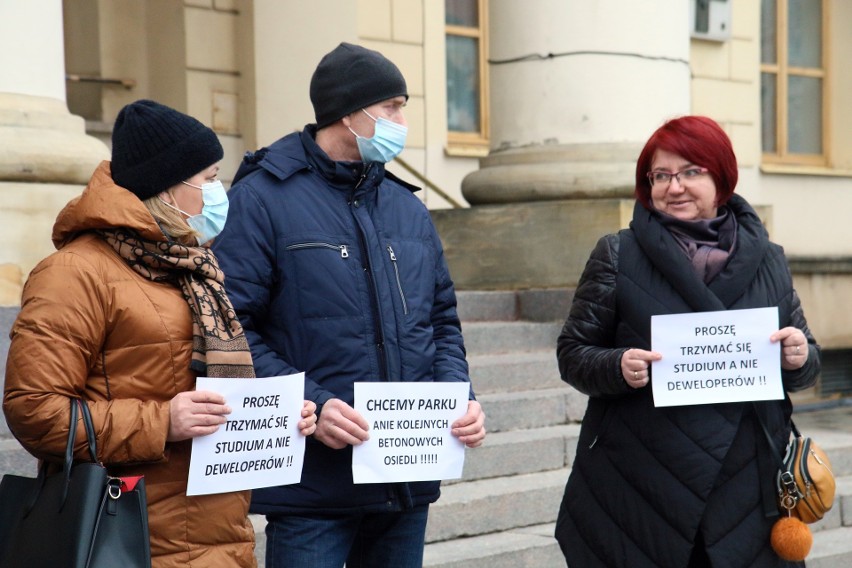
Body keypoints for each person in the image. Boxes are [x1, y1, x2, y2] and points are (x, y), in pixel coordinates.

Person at [3, 99, 317, 568]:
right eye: (209, 178)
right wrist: (161, 422)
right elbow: (34, 409)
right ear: (166, 188)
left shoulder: (190, 266)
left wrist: (276, 419)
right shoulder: (74, 272)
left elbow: (210, 390)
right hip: (128, 536)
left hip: (219, 534)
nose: (218, 191)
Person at [211, 42, 486, 568]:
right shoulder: (263, 198)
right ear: (347, 113)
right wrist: (311, 403)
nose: (403, 121)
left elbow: (442, 322)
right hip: (316, 486)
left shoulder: (407, 207)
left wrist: (459, 398)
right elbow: (229, 327)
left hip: (404, 479)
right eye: (392, 107)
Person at [554, 115, 821, 568]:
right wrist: (617, 366)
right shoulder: (618, 254)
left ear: (722, 178)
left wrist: (799, 356)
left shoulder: (770, 259)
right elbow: (573, 353)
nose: (673, 187)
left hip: (746, 484)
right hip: (643, 479)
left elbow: (806, 361)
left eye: (691, 172)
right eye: (660, 176)